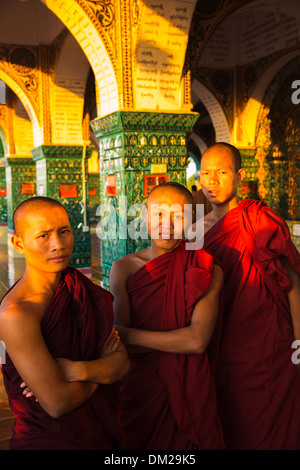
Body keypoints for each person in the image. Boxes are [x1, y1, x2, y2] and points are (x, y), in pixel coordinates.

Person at [190, 142, 300, 450]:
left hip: (268, 344)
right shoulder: (194, 230)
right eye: (206, 173)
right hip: (218, 344)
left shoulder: (258, 219)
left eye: (222, 173)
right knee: (230, 422)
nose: (212, 181)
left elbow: (293, 286)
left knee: (269, 425)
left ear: (239, 176)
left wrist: (298, 342)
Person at [0, 197, 129, 450]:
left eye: (64, 231)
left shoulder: (78, 288)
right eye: (43, 236)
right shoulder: (16, 313)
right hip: (48, 439)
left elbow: (122, 363)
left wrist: (75, 371)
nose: (58, 244)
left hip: (97, 431)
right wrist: (101, 369)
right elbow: (57, 403)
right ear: (19, 243)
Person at [109, 182, 225, 450]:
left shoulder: (205, 267)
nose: (167, 223)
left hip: (189, 385)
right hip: (140, 387)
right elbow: (120, 343)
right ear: (145, 217)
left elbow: (196, 341)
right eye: (159, 214)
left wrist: (125, 335)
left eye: (178, 215)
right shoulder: (123, 269)